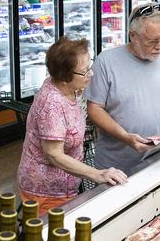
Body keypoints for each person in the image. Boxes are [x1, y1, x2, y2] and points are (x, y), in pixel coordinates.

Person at [17, 37, 127, 214]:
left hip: (66, 187)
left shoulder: (69, 88)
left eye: (89, 67)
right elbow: (54, 154)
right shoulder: (52, 104)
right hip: (47, 191)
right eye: (84, 72)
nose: (90, 74)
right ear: (64, 78)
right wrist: (97, 174)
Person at [86, 2, 160, 175]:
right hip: (116, 168)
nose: (159, 46)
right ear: (132, 36)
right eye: (152, 41)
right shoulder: (106, 62)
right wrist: (125, 137)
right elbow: (94, 109)